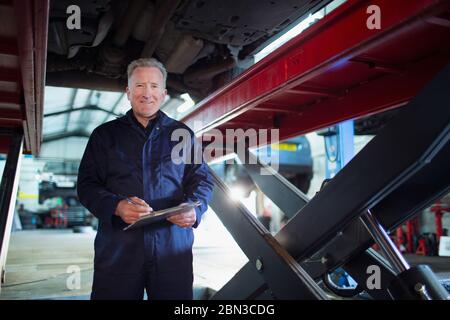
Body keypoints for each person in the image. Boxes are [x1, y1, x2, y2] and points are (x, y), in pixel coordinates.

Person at [77, 58, 214, 300]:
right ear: (128, 93)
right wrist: (116, 206)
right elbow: (87, 185)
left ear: (163, 93)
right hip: (119, 249)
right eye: (139, 86)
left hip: (172, 248)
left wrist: (195, 209)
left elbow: (201, 180)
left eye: (153, 86)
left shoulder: (182, 135)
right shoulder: (105, 136)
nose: (146, 93)